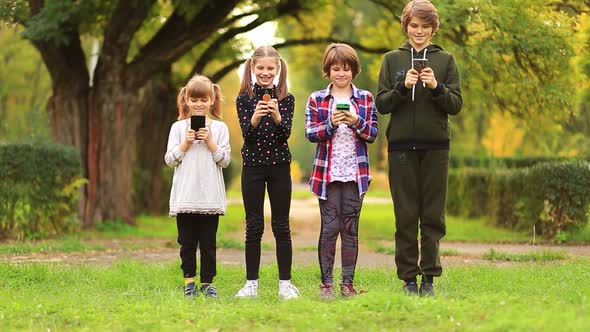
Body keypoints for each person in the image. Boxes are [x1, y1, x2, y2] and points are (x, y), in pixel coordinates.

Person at [376, 0, 462, 297]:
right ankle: (409, 279)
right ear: (406, 25)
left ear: (434, 28)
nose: (419, 32)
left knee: (433, 215)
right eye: (414, 26)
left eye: (425, 27)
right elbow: (382, 104)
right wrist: (403, 88)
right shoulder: (391, 60)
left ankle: (429, 279)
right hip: (400, 147)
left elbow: (456, 105)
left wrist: (437, 87)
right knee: (405, 214)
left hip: (437, 147)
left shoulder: (446, 60)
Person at [305, 43, 378, 299]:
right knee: (329, 227)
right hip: (326, 173)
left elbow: (373, 134)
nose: (341, 74)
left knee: (350, 229)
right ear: (328, 70)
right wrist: (331, 124)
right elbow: (310, 133)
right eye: (336, 68)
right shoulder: (317, 98)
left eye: (346, 69)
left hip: (355, 173)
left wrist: (357, 121)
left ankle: (347, 284)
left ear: (353, 70)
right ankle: (326, 284)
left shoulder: (366, 98)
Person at [234, 45, 299, 300]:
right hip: (252, 167)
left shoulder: (287, 99)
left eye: (270, 68)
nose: (265, 72)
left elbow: (286, 135)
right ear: (252, 68)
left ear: (278, 69)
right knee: (254, 225)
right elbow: (247, 136)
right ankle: (251, 284)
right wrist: (254, 117)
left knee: (282, 225)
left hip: (280, 167)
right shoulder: (243, 99)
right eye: (260, 68)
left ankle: (285, 284)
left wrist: (277, 116)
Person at [164, 74, 231, 298]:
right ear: (187, 100)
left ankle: (207, 282)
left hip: (210, 197)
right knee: (187, 242)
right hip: (186, 195)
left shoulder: (220, 128)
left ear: (212, 100)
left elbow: (225, 160)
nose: (199, 104)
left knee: (209, 243)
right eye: (194, 100)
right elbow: (170, 160)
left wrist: (210, 142)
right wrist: (186, 142)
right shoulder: (177, 128)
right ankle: (189, 281)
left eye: (204, 99)